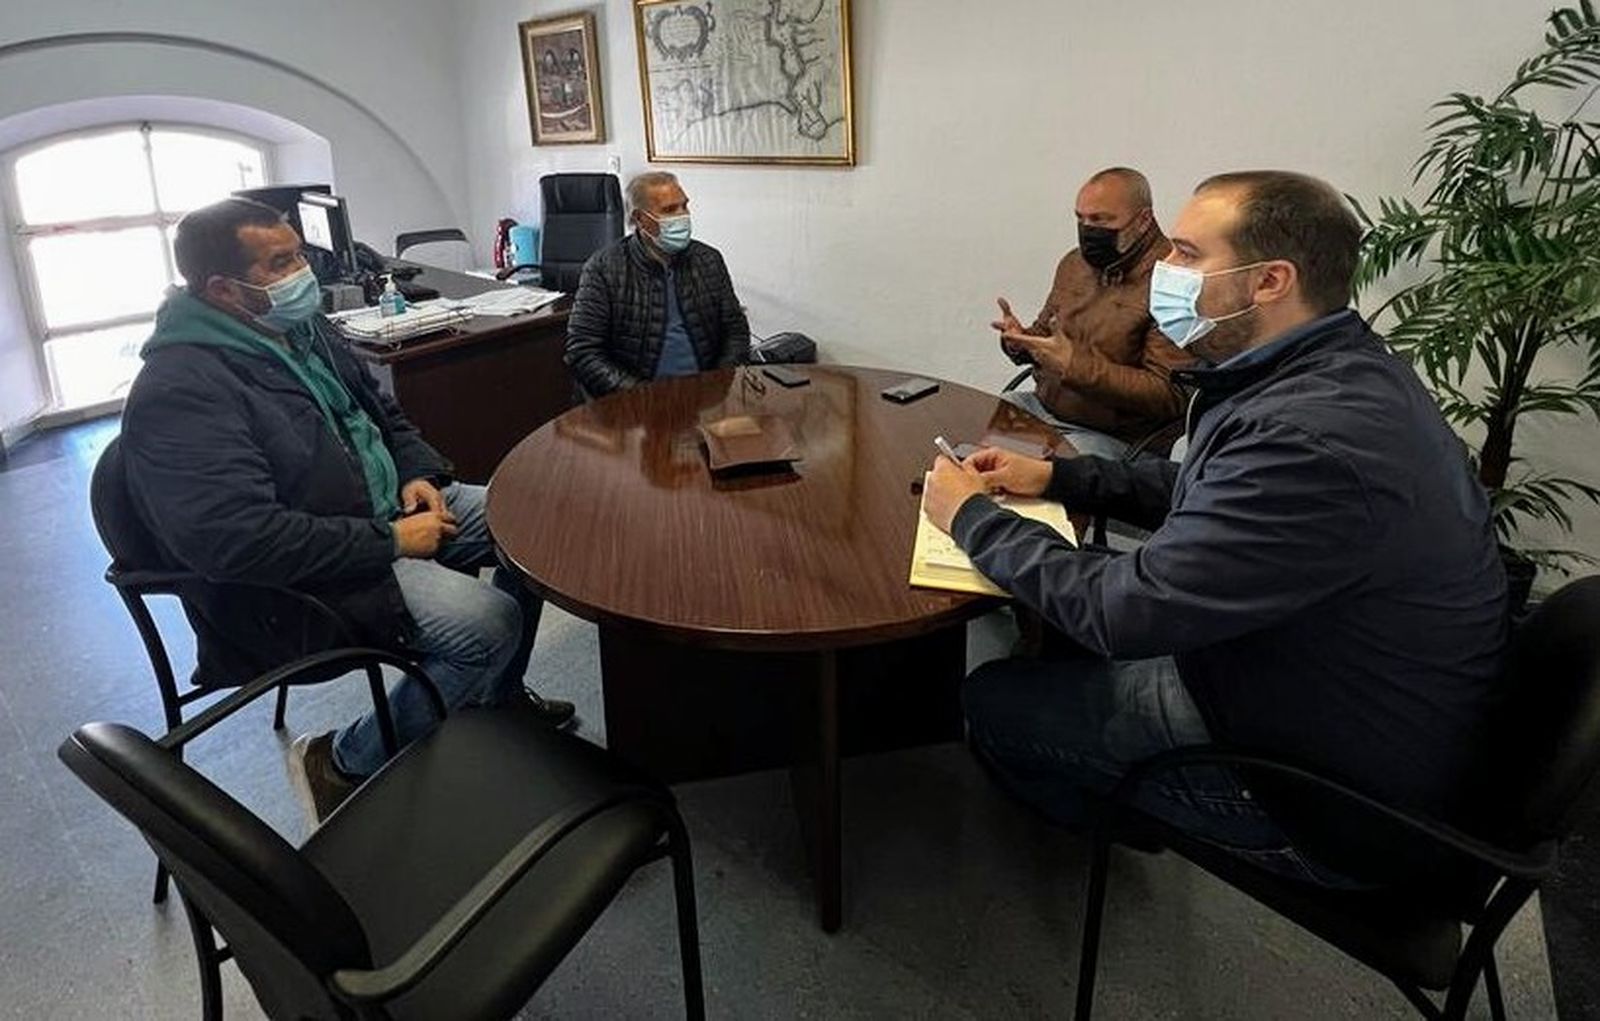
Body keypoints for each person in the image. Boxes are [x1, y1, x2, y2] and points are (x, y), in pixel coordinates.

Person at [925, 171, 1508, 885]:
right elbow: (1208, 490)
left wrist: (970, 516)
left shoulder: (1310, 438)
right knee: (1062, 646)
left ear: (1270, 281)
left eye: (1189, 254)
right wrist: (1059, 478)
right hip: (1303, 677)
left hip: (1321, 792)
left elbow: (1125, 611)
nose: (1166, 269)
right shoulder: (1332, 371)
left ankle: (1115, 833)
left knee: (988, 697)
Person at [120, 197, 575, 823]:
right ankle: (340, 762)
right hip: (306, 577)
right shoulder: (181, 388)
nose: (302, 271)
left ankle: (493, 707)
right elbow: (236, 542)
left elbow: (379, 415)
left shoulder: (298, 330)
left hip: (384, 513)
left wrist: (417, 472)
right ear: (224, 289)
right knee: (490, 624)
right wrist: (390, 541)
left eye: (299, 254)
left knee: (537, 526)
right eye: (280, 262)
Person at [993, 167, 1193, 458]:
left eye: (1100, 219)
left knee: (1036, 480)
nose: (1087, 229)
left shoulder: (1173, 282)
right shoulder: (1075, 264)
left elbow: (1169, 395)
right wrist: (1019, 340)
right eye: (1080, 218)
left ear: (1144, 219)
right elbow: (1047, 334)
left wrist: (1073, 365)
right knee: (974, 445)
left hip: (1115, 436)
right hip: (1043, 408)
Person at [565, 171, 750, 397]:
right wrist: (644, 397)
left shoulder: (709, 259)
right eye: (670, 210)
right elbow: (583, 352)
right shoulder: (603, 268)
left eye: (685, 206)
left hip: (704, 398)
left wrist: (719, 383)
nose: (683, 216)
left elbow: (735, 330)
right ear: (640, 219)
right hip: (634, 407)